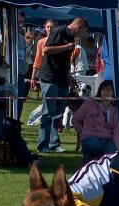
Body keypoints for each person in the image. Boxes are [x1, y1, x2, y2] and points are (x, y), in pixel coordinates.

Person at [36, 17, 88, 153]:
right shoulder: (58, 31)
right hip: (50, 78)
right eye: (83, 31)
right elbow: (46, 49)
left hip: (62, 80)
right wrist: (67, 47)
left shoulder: (71, 38)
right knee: (48, 113)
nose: (82, 35)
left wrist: (69, 77)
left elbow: (64, 61)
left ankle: (54, 143)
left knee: (58, 114)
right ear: (78, 27)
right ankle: (43, 145)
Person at [72, 80, 119, 162]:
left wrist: (117, 148)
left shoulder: (116, 109)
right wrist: (82, 134)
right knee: (92, 145)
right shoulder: (90, 102)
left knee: (113, 156)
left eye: (109, 90)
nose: (105, 92)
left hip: (107, 140)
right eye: (103, 89)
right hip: (90, 138)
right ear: (100, 90)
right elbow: (75, 120)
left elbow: (117, 131)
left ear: (114, 93)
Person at [30, 19, 57, 92]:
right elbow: (37, 61)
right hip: (45, 76)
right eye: (48, 27)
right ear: (45, 28)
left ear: (56, 28)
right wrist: (33, 78)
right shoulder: (41, 42)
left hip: (58, 76)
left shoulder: (60, 41)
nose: (50, 29)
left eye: (52, 27)